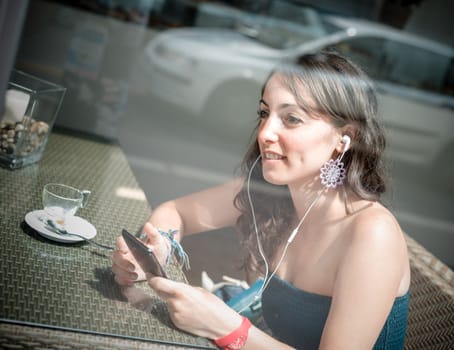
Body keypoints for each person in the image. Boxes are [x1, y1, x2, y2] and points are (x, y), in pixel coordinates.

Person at [111, 50, 411, 350]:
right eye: (264, 113)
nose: (265, 133)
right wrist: (159, 248)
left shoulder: (372, 234)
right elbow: (175, 212)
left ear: (343, 138)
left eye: (291, 119)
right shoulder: (274, 193)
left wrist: (225, 327)